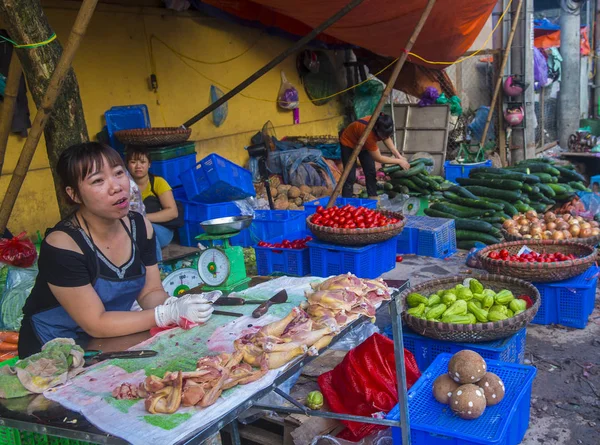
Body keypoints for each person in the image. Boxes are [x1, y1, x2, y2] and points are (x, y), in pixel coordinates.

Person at [18, 142, 214, 358]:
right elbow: (97, 323)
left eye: (119, 173)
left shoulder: (140, 227)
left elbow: (149, 292)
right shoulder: (63, 245)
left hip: (104, 342)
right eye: (98, 181)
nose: (117, 186)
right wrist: (167, 314)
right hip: (51, 350)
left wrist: (176, 303)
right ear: (74, 194)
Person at [126, 146, 180, 261]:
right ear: (127, 164)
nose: (138, 166)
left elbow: (173, 212)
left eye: (142, 162)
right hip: (133, 229)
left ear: (149, 164)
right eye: (133, 162)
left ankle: (158, 267)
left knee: (144, 227)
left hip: (162, 232)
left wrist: (143, 218)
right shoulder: (124, 185)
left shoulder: (158, 182)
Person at [339, 113, 410, 199]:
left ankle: (372, 197)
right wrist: (399, 161)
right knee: (350, 175)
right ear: (376, 129)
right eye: (382, 135)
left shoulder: (381, 123)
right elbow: (378, 158)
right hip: (349, 143)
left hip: (363, 144)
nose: (384, 137)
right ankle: (347, 201)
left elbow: (386, 138)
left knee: (370, 171)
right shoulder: (368, 133)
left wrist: (398, 156)